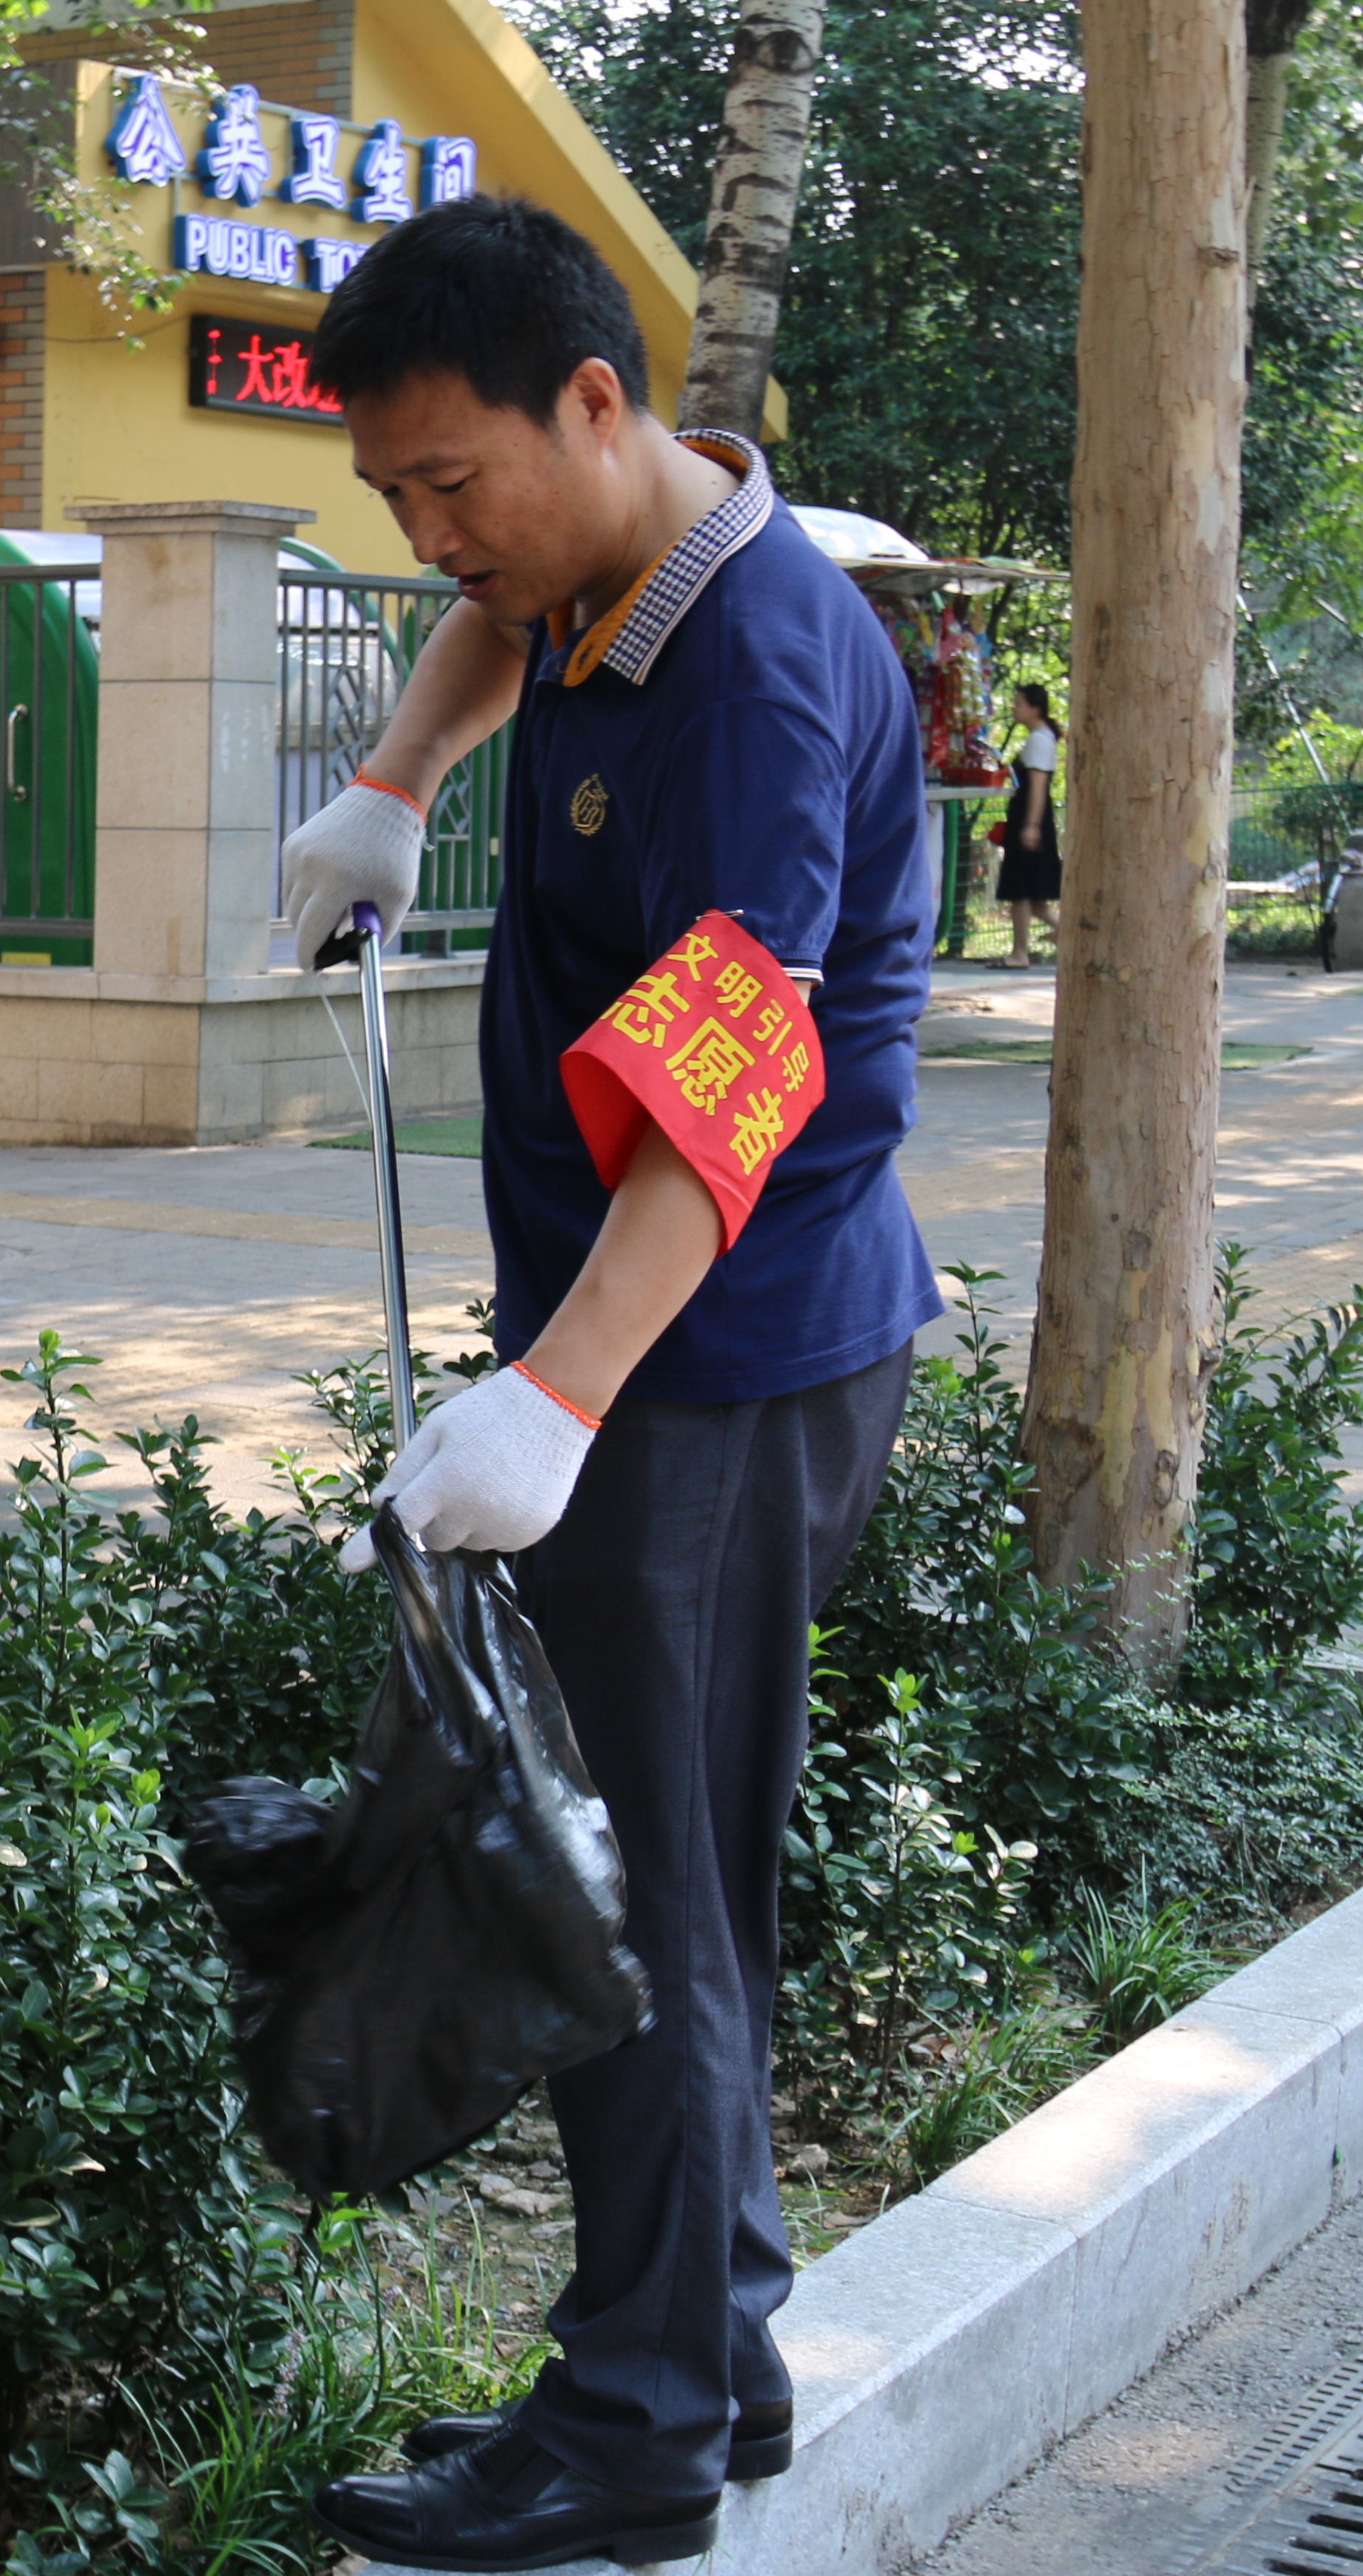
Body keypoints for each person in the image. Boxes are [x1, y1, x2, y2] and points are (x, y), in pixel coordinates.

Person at [271, 198, 939, 2573]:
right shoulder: (596, 570)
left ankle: (643, 2418)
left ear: (593, 404)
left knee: (630, 1892)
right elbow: (487, 614)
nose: (436, 534)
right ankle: (714, 2348)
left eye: (456, 479)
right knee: (670, 1870)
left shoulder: (752, 679)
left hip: (709, 1359)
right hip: (659, 1346)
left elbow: (727, 1098)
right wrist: (399, 778)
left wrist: (554, 1396)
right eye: (394, 498)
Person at [991, 683, 1063, 969]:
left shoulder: (1040, 740)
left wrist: (1031, 825)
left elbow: (1038, 786)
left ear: (1035, 709)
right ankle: (1062, 933)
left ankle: (1020, 952)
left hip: (1030, 820)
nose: (1014, 708)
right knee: (1032, 896)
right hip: (1027, 820)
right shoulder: (1039, 738)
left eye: (1019, 703)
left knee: (1021, 890)